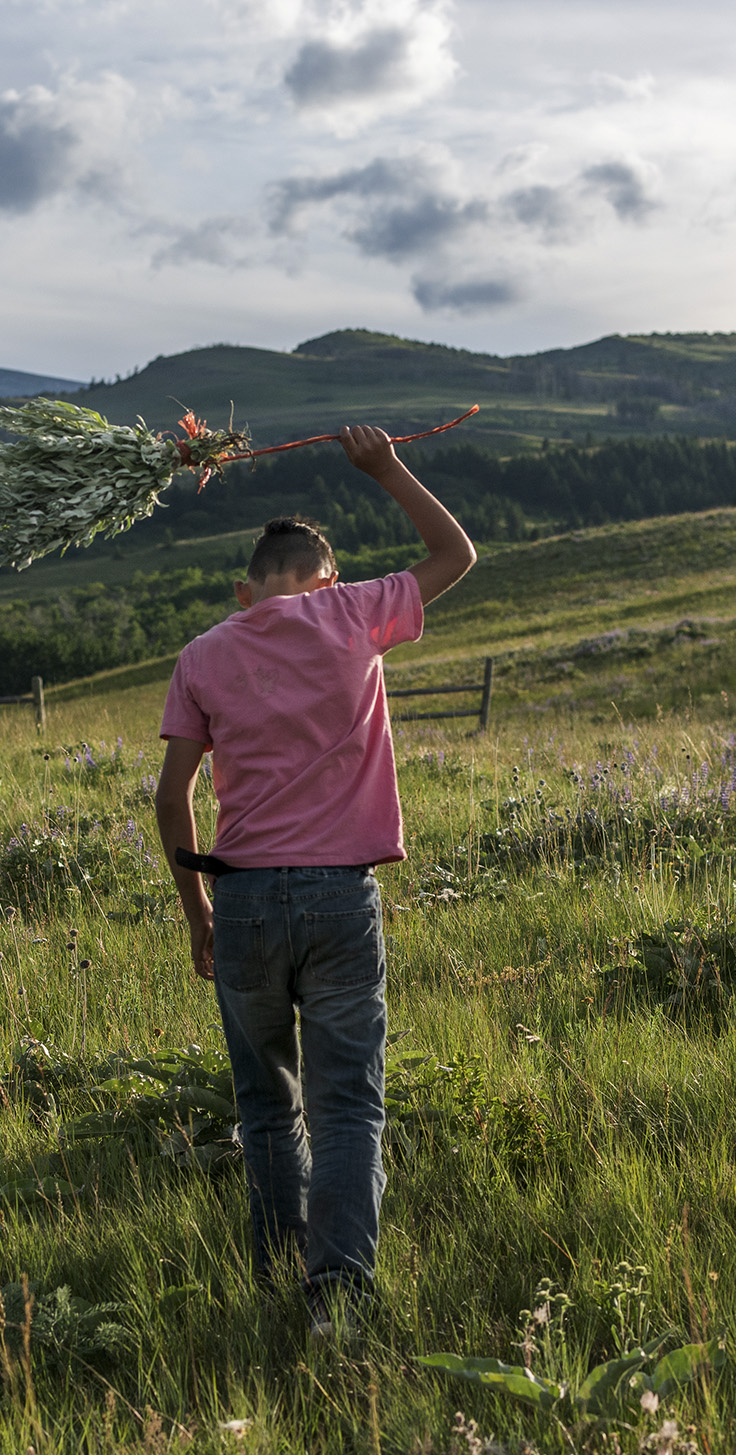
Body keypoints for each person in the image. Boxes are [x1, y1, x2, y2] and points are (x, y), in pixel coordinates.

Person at [153, 424, 477, 1333]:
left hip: (246, 900)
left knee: (266, 1106)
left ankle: (270, 1270)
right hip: (341, 894)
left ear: (243, 589)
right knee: (345, 1106)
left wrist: (198, 912)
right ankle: (335, 1294)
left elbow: (172, 798)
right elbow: (457, 553)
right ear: (331, 579)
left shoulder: (204, 652)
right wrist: (384, 467)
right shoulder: (354, 617)